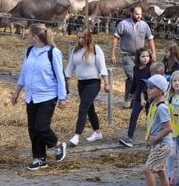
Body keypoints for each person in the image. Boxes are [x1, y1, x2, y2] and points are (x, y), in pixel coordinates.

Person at [11, 24, 68, 171]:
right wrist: (17, 91)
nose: (27, 36)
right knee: (33, 129)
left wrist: (62, 97)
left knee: (41, 127)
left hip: (47, 95)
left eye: (29, 34)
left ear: (35, 36)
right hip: (31, 96)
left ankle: (57, 144)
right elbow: (24, 72)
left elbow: (60, 76)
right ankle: (39, 158)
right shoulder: (29, 51)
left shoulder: (53, 52)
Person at [136, 75, 176, 186]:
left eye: (152, 88)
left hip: (162, 144)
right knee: (160, 170)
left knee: (148, 170)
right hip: (159, 143)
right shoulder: (154, 104)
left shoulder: (162, 108)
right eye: (148, 87)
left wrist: (155, 137)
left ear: (161, 90)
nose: (148, 90)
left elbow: (169, 128)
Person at [64, 28, 108, 146]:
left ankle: (76, 136)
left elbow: (102, 66)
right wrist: (65, 80)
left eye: (83, 37)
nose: (80, 40)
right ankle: (97, 132)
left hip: (93, 82)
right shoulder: (75, 50)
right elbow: (70, 67)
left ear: (88, 37)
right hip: (81, 83)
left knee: (83, 108)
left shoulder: (95, 49)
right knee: (89, 108)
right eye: (78, 37)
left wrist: (106, 82)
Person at [110, 6, 155, 107]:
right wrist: (112, 54)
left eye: (140, 14)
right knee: (132, 76)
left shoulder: (144, 25)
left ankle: (141, 98)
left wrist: (153, 53)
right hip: (127, 55)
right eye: (136, 14)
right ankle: (128, 99)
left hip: (141, 56)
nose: (139, 16)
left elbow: (150, 39)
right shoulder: (123, 24)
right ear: (131, 13)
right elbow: (115, 38)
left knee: (142, 77)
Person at [118, 48, 153, 148]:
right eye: (143, 56)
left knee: (150, 117)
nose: (145, 58)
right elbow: (135, 81)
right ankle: (129, 138)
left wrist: (146, 95)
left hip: (149, 97)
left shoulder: (150, 68)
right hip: (138, 97)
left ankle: (152, 138)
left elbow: (151, 83)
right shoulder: (136, 68)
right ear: (138, 57)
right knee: (133, 116)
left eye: (147, 56)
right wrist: (132, 92)